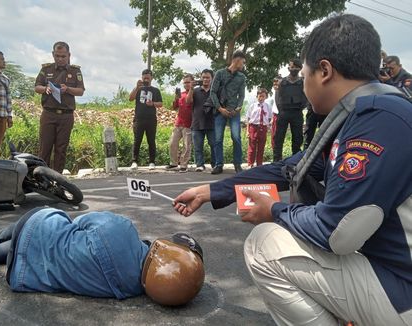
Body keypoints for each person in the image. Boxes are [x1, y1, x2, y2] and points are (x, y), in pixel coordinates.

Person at [173, 14, 412, 326]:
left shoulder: (376, 120)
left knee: (264, 244)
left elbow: (338, 232)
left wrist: (274, 210)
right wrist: (211, 191)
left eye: (306, 74)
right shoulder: (367, 113)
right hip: (392, 272)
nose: (303, 85)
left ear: (324, 71)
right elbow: (289, 168)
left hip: (401, 289)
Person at [0, 207, 204, 306]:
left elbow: (82, 221)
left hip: (35, 235)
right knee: (41, 246)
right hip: (26, 274)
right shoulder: (129, 290)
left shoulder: (122, 229)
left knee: (49, 218)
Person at [34, 41, 85, 173]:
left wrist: (67, 89)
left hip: (66, 115)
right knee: (45, 147)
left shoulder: (75, 71)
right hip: (49, 113)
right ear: (53, 54)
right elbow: (36, 87)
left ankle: (57, 178)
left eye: (63, 56)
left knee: (61, 149)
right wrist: (46, 88)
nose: (60, 59)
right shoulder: (46, 69)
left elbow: (80, 91)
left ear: (69, 55)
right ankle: (42, 176)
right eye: (57, 56)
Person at [210, 50, 247, 175]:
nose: (243, 65)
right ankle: (219, 164)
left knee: (236, 137)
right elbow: (213, 92)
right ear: (236, 60)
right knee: (218, 138)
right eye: (243, 62)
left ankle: (237, 164)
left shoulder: (242, 77)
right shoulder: (220, 74)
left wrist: (239, 107)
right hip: (220, 110)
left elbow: (241, 95)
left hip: (234, 112)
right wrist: (220, 108)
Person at [273, 59, 308, 162]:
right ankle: (277, 161)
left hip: (297, 113)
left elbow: (306, 97)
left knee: (297, 139)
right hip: (283, 112)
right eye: (290, 67)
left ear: (299, 68)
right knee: (279, 138)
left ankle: (295, 161)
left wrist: (300, 107)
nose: (291, 69)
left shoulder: (303, 82)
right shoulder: (282, 82)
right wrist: (281, 110)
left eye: (293, 67)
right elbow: (277, 97)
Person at [129, 69, 163, 170]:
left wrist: (152, 103)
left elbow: (160, 104)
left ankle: (152, 162)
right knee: (137, 140)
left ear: (151, 78)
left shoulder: (155, 90)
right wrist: (136, 87)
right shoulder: (138, 89)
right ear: (142, 78)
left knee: (151, 141)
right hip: (139, 119)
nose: (146, 79)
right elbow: (130, 98)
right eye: (144, 78)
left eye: (148, 78)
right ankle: (134, 161)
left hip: (151, 119)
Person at [187, 69, 215, 172]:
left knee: (214, 145)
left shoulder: (214, 90)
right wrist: (191, 88)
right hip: (197, 123)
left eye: (208, 77)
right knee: (198, 147)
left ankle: (215, 164)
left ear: (212, 79)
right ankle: (199, 164)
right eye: (203, 77)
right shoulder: (195, 90)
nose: (205, 79)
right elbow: (188, 101)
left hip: (212, 123)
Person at [166, 74, 194, 173]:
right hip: (178, 123)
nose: (186, 84)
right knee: (172, 143)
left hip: (189, 124)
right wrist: (176, 98)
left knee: (186, 146)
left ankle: (183, 165)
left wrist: (191, 89)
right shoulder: (181, 94)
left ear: (192, 82)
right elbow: (174, 107)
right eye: (184, 82)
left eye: (188, 82)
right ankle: (174, 163)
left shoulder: (195, 93)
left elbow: (190, 102)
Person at [245, 88, 272, 168]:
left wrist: (269, 127)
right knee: (252, 147)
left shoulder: (267, 107)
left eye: (263, 96)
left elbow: (270, 118)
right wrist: (247, 131)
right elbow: (248, 119)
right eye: (260, 96)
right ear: (257, 96)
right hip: (253, 127)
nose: (261, 98)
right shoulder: (252, 106)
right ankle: (250, 164)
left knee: (261, 147)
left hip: (263, 128)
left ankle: (259, 164)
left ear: (266, 97)